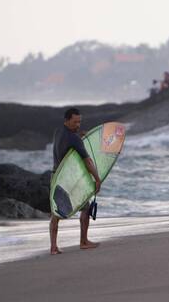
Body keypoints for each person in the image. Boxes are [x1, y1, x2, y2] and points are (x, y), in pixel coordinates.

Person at [49, 108, 102, 255]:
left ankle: (53, 247)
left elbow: (68, 142)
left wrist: (78, 135)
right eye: (75, 122)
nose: (78, 124)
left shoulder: (58, 132)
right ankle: (84, 242)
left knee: (55, 212)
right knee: (85, 206)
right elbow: (88, 162)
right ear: (67, 120)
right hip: (69, 178)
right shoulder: (75, 139)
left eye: (80, 121)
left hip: (56, 176)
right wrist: (97, 179)